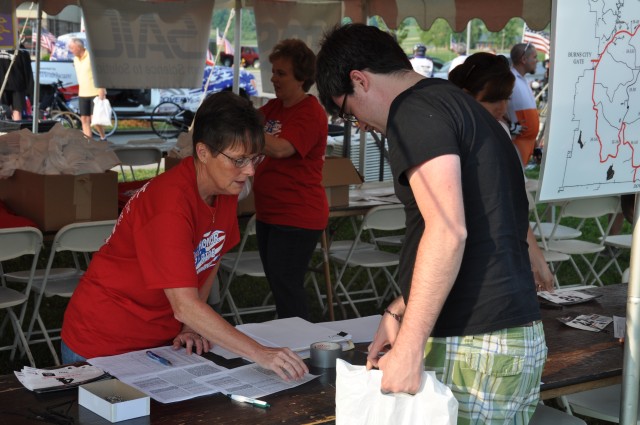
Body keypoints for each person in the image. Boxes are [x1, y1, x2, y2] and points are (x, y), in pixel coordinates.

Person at [316, 24, 546, 424]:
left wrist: (409, 345)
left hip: (475, 340)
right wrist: (401, 309)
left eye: (348, 112)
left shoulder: (412, 114)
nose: (362, 127)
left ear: (359, 79)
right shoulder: (464, 110)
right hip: (500, 335)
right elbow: (482, 227)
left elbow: (447, 230)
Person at [60, 91, 308, 382]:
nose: (250, 170)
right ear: (203, 152)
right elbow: (185, 305)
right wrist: (260, 353)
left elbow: (209, 259)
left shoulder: (224, 188)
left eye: (255, 158)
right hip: (104, 345)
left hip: (157, 344)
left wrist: (193, 326)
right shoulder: (170, 205)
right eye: (239, 160)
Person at [449, 52, 554, 293]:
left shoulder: (499, 130)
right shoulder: (448, 136)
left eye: (506, 98)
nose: (502, 107)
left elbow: (510, 199)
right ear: (466, 96)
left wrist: (535, 256)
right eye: (492, 100)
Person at [253, 39, 328, 320]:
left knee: (286, 287)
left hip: (297, 216)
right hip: (269, 213)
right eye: (273, 71)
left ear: (302, 77)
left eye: (281, 73)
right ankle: (291, 340)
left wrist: (246, 128)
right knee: (279, 285)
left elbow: (282, 148)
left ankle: (302, 347)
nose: (273, 78)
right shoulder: (273, 108)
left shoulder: (310, 112)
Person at [67, 37, 107, 140]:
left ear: (79, 47)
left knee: (95, 120)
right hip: (83, 93)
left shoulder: (91, 56)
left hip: (95, 92)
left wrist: (102, 88)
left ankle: (103, 137)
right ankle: (88, 142)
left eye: (72, 48)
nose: (70, 50)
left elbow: (101, 72)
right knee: (84, 119)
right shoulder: (75, 60)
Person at [507, 42, 540, 166]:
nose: (537, 61)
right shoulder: (510, 79)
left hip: (527, 144)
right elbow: (495, 106)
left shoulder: (522, 79)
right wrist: (510, 126)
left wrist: (535, 145)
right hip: (516, 144)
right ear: (524, 59)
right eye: (535, 57)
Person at [0, 45, 33, 120]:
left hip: (6, 85)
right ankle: (17, 130)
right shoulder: (21, 49)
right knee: (17, 112)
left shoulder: (21, 49)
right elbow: (27, 71)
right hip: (18, 85)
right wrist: (30, 91)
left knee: (3, 112)